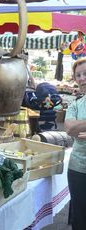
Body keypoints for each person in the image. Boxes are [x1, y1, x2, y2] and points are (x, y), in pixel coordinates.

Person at [64, 57, 86, 230]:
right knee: (80, 218)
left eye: (85, 74)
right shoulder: (75, 104)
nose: (81, 78)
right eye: (78, 75)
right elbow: (70, 129)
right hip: (78, 168)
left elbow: (76, 127)